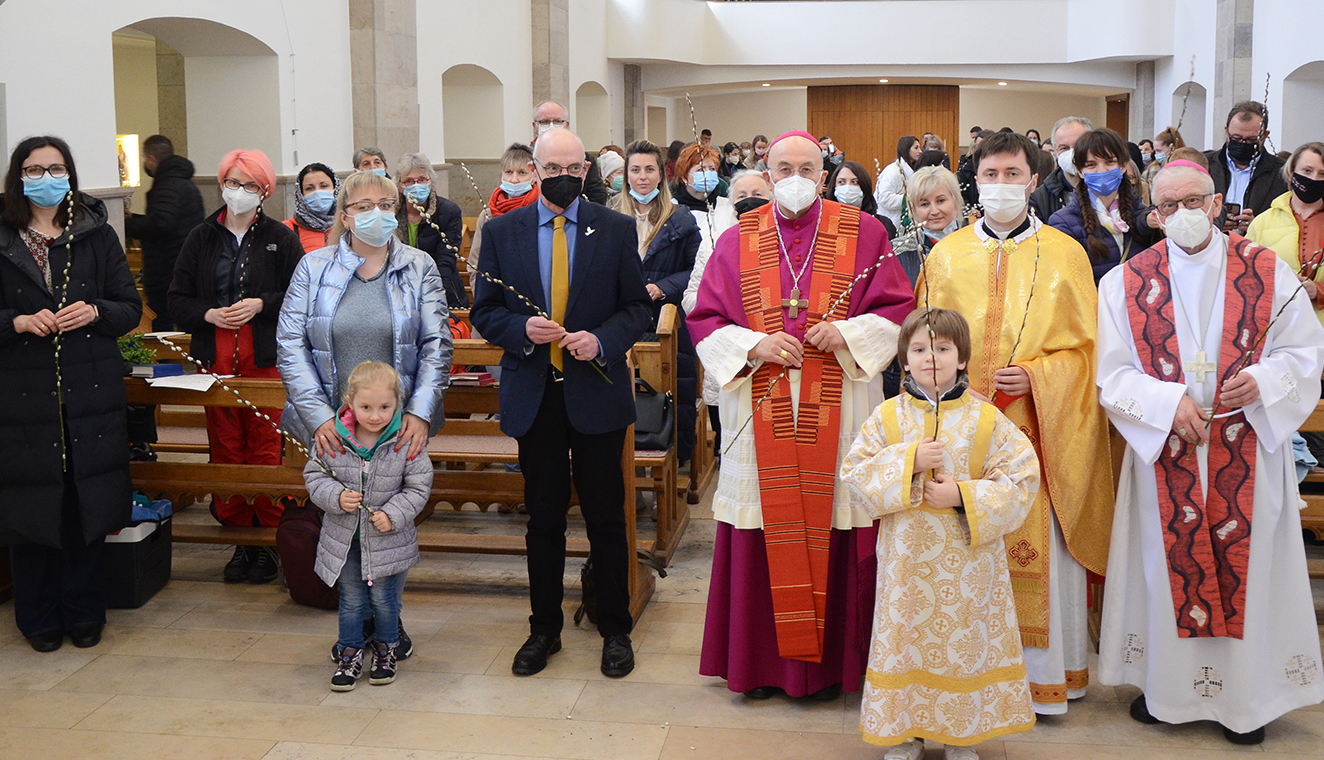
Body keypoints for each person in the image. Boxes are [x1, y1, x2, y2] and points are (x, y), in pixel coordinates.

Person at [1096, 159, 1324, 745]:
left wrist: (1266, 381)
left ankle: (1246, 702)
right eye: (1169, 206)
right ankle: (1167, 692)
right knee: (1164, 568)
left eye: (1193, 201)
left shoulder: (1268, 271)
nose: (1183, 214)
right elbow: (1112, 374)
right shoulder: (1125, 281)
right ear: (1154, 215)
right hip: (1166, 451)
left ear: (1217, 203)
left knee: (1252, 567)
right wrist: (1167, 402)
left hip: (1246, 444)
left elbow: (1305, 353)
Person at [688, 130, 915, 700]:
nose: (796, 177)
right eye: (784, 168)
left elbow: (898, 310)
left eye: (807, 168)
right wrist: (754, 345)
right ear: (768, 176)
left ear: (824, 174)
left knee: (835, 518)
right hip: (759, 398)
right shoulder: (738, 238)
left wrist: (848, 332)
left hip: (840, 401)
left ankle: (833, 667)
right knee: (762, 521)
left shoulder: (865, 232)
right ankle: (759, 667)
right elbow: (705, 318)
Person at [918, 131, 1114, 716]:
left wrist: (1038, 376)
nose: (1001, 184)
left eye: (1012, 174)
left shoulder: (1065, 254)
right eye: (991, 174)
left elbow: (1089, 352)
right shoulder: (946, 255)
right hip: (963, 433)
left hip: (1038, 432)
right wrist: (953, 386)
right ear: (976, 180)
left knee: (1037, 555)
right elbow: (921, 341)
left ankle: (1042, 683)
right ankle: (967, 674)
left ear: (1034, 180)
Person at [469, 127, 651, 679]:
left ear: (587, 170)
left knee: (607, 518)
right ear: (535, 170)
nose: (563, 177)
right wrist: (522, 329)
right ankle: (543, 629)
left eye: (574, 168)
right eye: (552, 169)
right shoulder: (503, 231)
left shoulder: (614, 228)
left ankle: (615, 627)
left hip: (595, 391)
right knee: (543, 520)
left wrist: (603, 340)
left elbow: (636, 309)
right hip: (536, 394)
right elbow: (484, 311)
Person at [840, 308, 1039, 758]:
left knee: (962, 644)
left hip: (968, 569)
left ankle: (959, 734)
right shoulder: (887, 417)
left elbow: (1023, 480)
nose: (931, 358)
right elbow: (855, 474)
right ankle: (905, 733)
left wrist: (962, 495)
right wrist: (908, 461)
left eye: (943, 348)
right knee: (905, 642)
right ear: (905, 361)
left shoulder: (985, 419)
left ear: (962, 358)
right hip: (906, 565)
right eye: (919, 349)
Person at [279, 169, 452, 661]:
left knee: (390, 521)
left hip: (398, 425)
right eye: (363, 206)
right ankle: (359, 626)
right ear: (345, 215)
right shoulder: (313, 267)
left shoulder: (418, 265)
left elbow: (437, 344)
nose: (375, 213)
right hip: (335, 427)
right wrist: (319, 417)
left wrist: (420, 412)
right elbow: (290, 344)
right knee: (346, 519)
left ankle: (388, 623)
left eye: (385, 204)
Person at [0, 135, 143, 652]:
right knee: (34, 506)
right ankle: (38, 617)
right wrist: (16, 321)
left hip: (88, 393)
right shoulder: (4, 236)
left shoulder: (95, 233)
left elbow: (129, 308)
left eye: (56, 168)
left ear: (70, 175)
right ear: (18, 177)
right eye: (34, 169)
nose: (46, 178)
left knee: (85, 506)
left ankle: (84, 612)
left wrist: (96, 311)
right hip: (24, 397)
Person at [169, 149, 304, 584]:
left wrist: (262, 303)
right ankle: (240, 538)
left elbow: (301, 294)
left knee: (265, 450)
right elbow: (177, 299)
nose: (239, 191)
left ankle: (268, 541)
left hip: (264, 361)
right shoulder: (201, 237)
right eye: (233, 182)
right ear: (222, 184)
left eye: (249, 184)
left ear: (264, 191)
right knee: (226, 449)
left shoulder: (280, 238)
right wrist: (207, 314)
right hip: (216, 361)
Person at [306, 360, 432, 692]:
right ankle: (350, 653)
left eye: (384, 407)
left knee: (384, 600)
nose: (375, 416)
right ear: (350, 402)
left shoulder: (406, 441)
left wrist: (393, 513)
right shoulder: (333, 438)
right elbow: (315, 476)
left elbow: (418, 487)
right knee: (350, 599)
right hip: (345, 541)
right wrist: (337, 497)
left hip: (386, 541)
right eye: (366, 407)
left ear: (397, 403)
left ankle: (386, 651)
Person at [610, 139, 700, 463]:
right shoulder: (609, 216)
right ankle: (621, 456)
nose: (642, 177)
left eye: (649, 169)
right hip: (620, 319)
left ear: (662, 174)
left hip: (666, 319)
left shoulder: (680, 219)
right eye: (635, 170)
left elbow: (695, 271)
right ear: (626, 175)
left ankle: (673, 455)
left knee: (672, 388)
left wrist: (661, 287)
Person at [1047, 128, 1158, 283]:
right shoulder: (1064, 222)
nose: (1102, 171)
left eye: (1110, 162)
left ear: (1123, 166)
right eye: (1091, 165)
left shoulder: (1142, 216)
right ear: (1080, 171)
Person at [124, 134, 204, 330]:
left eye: (145, 158)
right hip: (183, 267)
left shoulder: (167, 184)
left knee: (163, 327)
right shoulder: (181, 181)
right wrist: (136, 218)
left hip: (167, 269)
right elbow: (168, 219)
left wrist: (127, 225)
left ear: (151, 158)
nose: (145, 163)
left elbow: (161, 224)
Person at [1247, 142, 1324, 325]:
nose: (1314, 179)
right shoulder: (1262, 223)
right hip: (1277, 327)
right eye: (1307, 171)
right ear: (1291, 173)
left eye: (1322, 174)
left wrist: (1318, 290)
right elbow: (1245, 278)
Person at [395, 152, 467, 309]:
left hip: (441, 290)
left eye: (422, 180)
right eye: (409, 181)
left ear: (431, 182)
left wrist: (430, 295)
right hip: (399, 292)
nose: (416, 185)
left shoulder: (449, 211)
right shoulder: (391, 213)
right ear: (400, 186)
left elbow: (446, 259)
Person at [1206, 101, 1287, 236]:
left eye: (1251, 140)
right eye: (1236, 138)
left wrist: (1258, 226)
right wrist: (1211, 222)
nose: (1243, 144)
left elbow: (1289, 224)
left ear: (1265, 136)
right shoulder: (1205, 165)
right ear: (1226, 131)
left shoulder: (1282, 173)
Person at [468, 144, 539, 292]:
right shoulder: (488, 215)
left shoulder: (540, 211)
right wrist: (483, 297)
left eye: (522, 173)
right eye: (508, 172)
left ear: (534, 175)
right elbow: (475, 263)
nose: (514, 180)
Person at [891, 166, 964, 286]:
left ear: (955, 200)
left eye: (941, 201)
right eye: (924, 204)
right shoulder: (898, 252)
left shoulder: (975, 245)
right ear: (913, 210)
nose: (934, 211)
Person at [532, 101, 608, 204]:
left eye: (557, 121)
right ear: (535, 126)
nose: (551, 126)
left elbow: (598, 195)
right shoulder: (524, 157)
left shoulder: (583, 158)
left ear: (566, 124)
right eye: (545, 122)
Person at [673, 143, 733, 266]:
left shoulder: (729, 206)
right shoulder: (671, 210)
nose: (708, 174)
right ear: (684, 177)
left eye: (712, 169)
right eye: (700, 170)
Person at [1030, 116, 1093, 220]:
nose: (1072, 153)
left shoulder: (1108, 188)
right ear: (1055, 152)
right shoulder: (1039, 199)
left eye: (1078, 146)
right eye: (1064, 148)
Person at [827, 160, 897, 238]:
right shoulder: (824, 223)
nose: (848, 187)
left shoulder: (883, 224)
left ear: (864, 187)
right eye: (841, 182)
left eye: (854, 182)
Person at [284, 162, 341, 254]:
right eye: (309, 188)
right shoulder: (287, 230)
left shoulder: (348, 225)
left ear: (336, 189)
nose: (317, 192)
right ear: (300, 194)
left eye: (324, 186)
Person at [875, 136, 922, 230]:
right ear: (906, 149)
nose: (920, 151)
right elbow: (884, 198)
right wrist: (909, 199)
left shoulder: (910, 171)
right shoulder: (892, 171)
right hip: (888, 224)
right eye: (916, 148)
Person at [957, 130, 992, 212]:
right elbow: (961, 194)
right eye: (978, 146)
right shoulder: (966, 168)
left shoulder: (1000, 168)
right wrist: (971, 210)